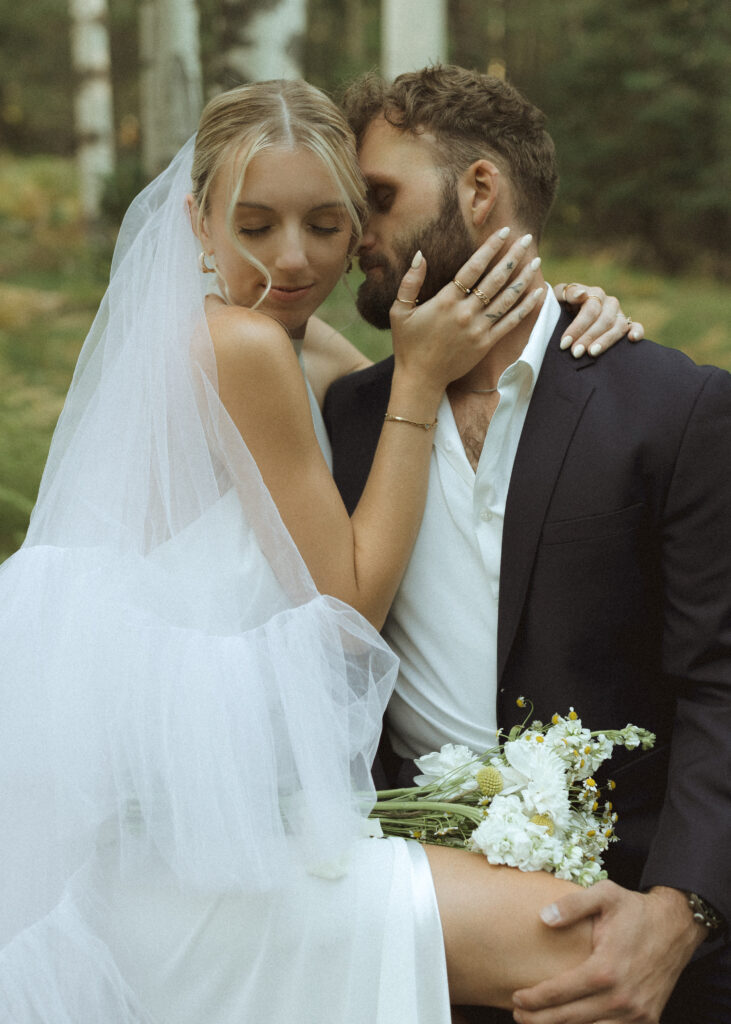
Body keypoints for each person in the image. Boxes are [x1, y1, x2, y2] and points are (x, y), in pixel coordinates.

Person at [0, 79, 642, 1023]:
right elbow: (343, 611)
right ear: (197, 222)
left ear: (358, 239)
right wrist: (419, 378)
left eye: (326, 225)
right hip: (194, 861)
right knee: (592, 947)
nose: (291, 259)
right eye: (254, 226)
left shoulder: (314, 357)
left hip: (244, 831)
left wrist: (565, 313)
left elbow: (429, 378)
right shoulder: (239, 348)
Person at [323, 66, 731, 1024]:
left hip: (633, 920)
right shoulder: (340, 417)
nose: (352, 239)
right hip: (402, 918)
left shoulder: (672, 410)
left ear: (478, 191)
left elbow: (720, 683)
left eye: (374, 201)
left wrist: (681, 914)